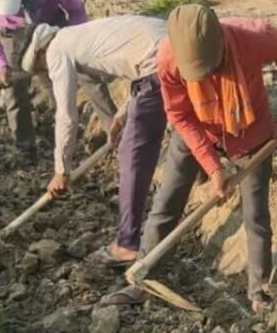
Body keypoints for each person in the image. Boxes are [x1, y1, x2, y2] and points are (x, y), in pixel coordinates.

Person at [101, 4, 277, 313]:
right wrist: (213, 167)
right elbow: (180, 115)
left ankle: (259, 290)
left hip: (250, 133)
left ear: (221, 46)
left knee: (256, 216)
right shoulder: (168, 56)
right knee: (167, 202)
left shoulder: (255, 38)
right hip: (196, 131)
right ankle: (145, 275)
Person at [20, 16, 168, 265]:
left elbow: (66, 115)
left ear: (39, 53)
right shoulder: (77, 34)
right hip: (175, 48)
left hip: (159, 64)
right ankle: (202, 167)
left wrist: (61, 170)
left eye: (40, 68)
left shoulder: (56, 50)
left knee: (132, 155)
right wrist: (124, 112)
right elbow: (137, 60)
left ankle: (126, 244)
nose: (44, 71)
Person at [0, 0, 109, 161]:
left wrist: (71, 42)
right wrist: (1, 64)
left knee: (61, 84)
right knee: (13, 91)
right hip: (13, 33)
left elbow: (76, 9)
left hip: (50, 25)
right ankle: (25, 149)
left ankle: (73, 139)